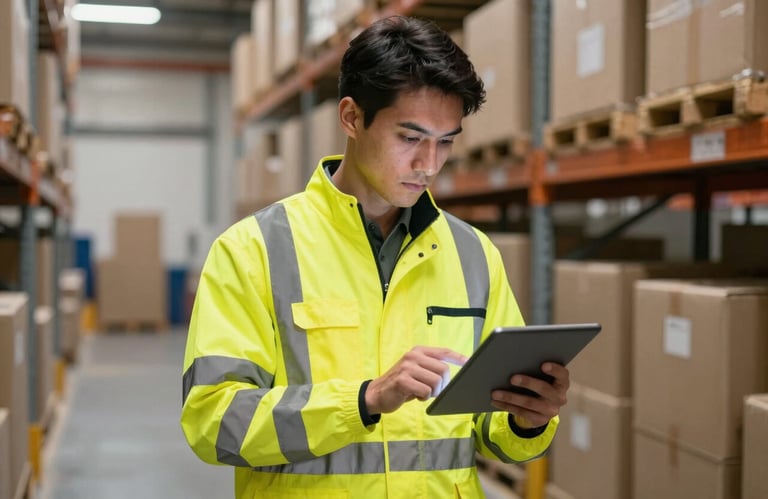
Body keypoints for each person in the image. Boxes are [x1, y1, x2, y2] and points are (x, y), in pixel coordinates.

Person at [181, 15, 569, 498]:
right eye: (410, 138)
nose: (429, 165)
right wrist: (363, 400)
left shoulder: (473, 254)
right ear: (351, 117)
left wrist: (527, 421)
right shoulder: (252, 251)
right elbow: (213, 422)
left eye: (445, 142)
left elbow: (494, 436)